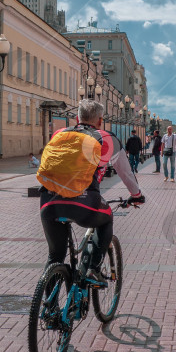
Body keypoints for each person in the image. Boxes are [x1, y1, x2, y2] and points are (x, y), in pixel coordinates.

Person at [38, 100, 145, 286]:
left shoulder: (59, 134)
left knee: (55, 256)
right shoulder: (107, 139)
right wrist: (136, 195)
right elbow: (126, 173)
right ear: (100, 121)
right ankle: (93, 268)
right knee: (107, 218)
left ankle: (50, 309)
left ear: (77, 118)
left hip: (49, 200)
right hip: (84, 202)